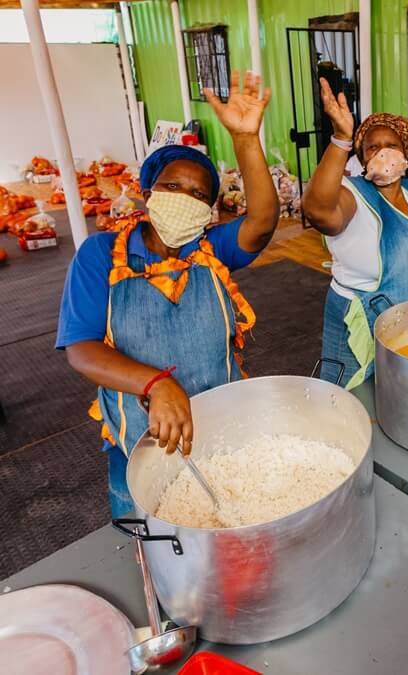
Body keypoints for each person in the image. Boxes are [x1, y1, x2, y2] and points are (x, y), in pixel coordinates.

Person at [56, 71, 279, 517]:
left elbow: (263, 221)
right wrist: (155, 384)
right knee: (156, 545)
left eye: (199, 194)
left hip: (225, 432)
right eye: (173, 187)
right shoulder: (103, 254)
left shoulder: (211, 251)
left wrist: (246, 140)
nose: (185, 197)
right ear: (147, 193)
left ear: (209, 211)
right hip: (141, 442)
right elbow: (80, 349)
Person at [302, 79, 408, 389]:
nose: (383, 153)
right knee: (353, 406)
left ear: (406, 152)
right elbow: (317, 210)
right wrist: (341, 139)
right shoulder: (352, 195)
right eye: (373, 147)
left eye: (391, 146)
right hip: (360, 329)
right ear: (362, 157)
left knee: (405, 398)